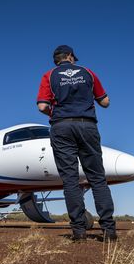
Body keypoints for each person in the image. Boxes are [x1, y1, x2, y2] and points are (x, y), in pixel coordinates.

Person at [36, 45, 117, 241]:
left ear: (57, 60)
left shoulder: (49, 76)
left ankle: (79, 232)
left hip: (61, 127)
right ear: (71, 57)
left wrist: (56, 112)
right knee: (97, 178)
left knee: (70, 180)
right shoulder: (88, 73)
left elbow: (42, 106)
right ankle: (108, 230)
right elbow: (105, 102)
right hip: (87, 125)